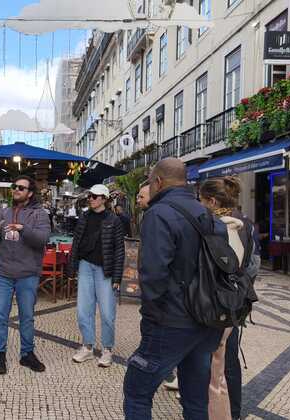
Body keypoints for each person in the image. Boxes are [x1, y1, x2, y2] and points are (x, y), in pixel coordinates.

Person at [123, 158, 225, 420]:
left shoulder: (159, 214)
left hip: (171, 321)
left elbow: (154, 274)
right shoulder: (208, 214)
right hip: (207, 320)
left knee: (137, 391)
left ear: (158, 182)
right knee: (195, 399)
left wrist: (152, 318)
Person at [198, 177, 258, 420]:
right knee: (224, 365)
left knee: (215, 371)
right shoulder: (245, 224)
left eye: (201, 200)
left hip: (216, 305)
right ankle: (233, 413)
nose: (199, 204)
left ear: (212, 201)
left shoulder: (214, 226)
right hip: (234, 302)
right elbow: (252, 265)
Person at [0, 175, 50, 375]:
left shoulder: (40, 215)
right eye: (14, 186)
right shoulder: (4, 212)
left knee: (27, 317)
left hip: (27, 273)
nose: (16, 190)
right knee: (0, 316)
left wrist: (23, 229)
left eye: (21, 187)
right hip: (2, 272)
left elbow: (42, 239)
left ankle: (27, 354)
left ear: (30, 193)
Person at [69, 184, 125, 367]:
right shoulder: (84, 217)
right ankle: (88, 346)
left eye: (94, 196)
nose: (90, 199)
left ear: (103, 198)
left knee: (108, 313)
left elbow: (119, 251)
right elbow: (76, 242)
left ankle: (107, 349)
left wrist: (117, 278)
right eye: (90, 196)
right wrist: (72, 265)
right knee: (84, 310)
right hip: (85, 266)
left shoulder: (114, 220)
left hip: (105, 270)